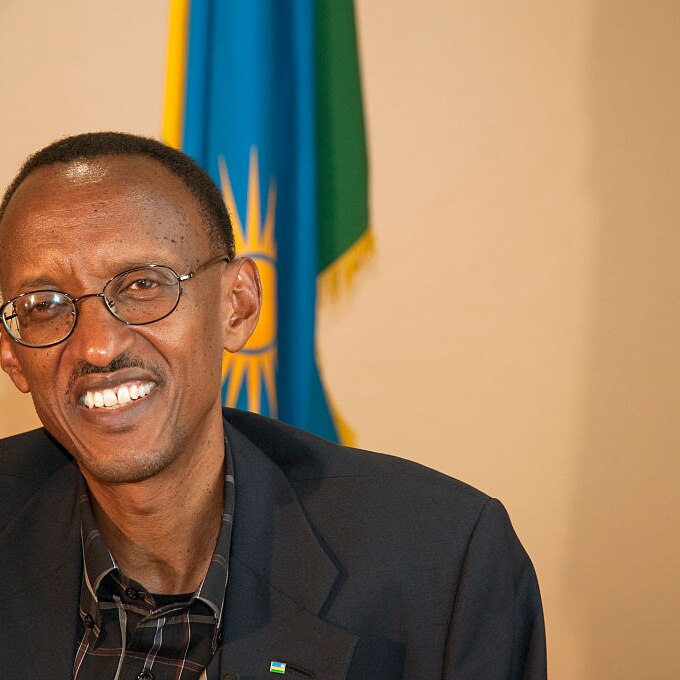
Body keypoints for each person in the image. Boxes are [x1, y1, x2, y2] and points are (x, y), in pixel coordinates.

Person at [0, 132, 546, 680]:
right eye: (43, 304)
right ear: (13, 356)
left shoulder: (446, 560)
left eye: (143, 284)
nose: (98, 345)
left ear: (237, 307)